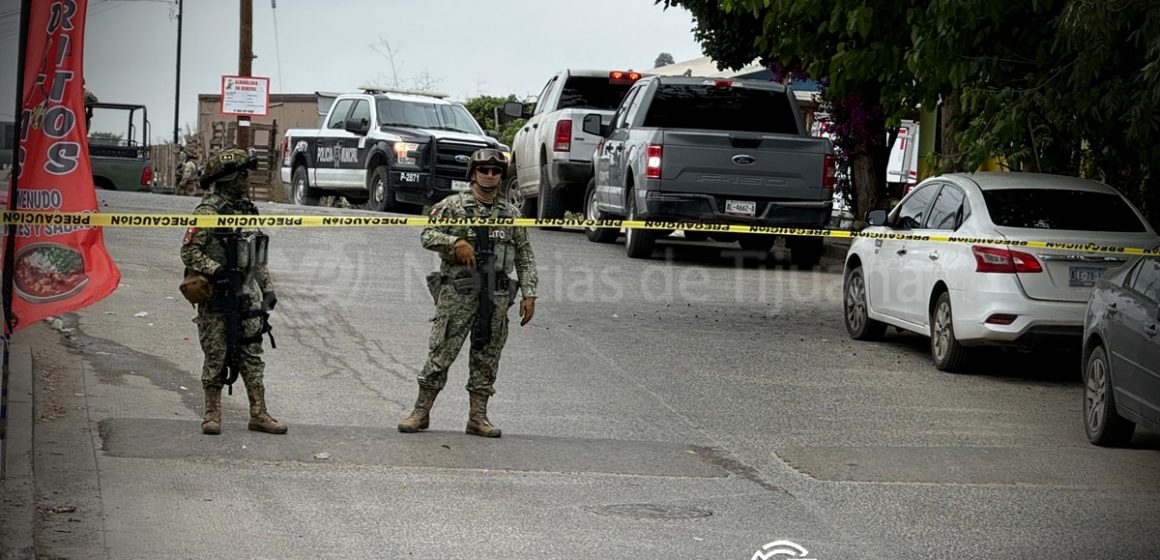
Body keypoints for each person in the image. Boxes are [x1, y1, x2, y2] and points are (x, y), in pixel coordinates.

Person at [398, 148, 538, 438]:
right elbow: (427, 235)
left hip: (496, 295)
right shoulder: (451, 206)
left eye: (495, 171)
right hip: (459, 292)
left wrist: (529, 293)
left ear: (501, 176)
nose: (489, 176)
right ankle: (420, 412)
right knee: (441, 353)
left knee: (487, 357)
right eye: (483, 170)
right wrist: (454, 243)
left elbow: (524, 254)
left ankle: (478, 417)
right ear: (472, 174)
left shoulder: (511, 214)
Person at [180, 148, 285, 436]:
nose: (246, 179)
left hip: (246, 293)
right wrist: (216, 270)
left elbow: (257, 256)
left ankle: (259, 412)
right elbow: (189, 251)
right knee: (216, 354)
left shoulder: (248, 210)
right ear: (229, 178)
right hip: (216, 293)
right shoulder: (208, 211)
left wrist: (267, 290)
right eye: (242, 174)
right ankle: (211, 414)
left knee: (252, 352)